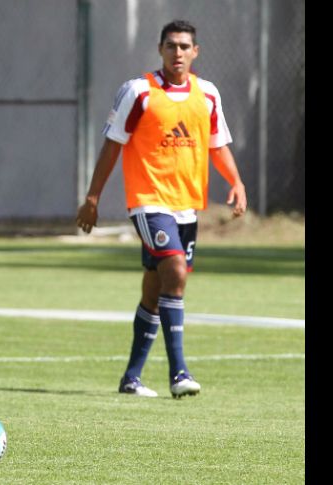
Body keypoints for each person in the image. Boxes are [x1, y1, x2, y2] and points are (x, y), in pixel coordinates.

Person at [76, 20, 247, 399]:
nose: (178, 53)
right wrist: (93, 197)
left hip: (187, 207)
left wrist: (235, 181)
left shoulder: (207, 95)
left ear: (196, 51)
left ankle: (131, 378)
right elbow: (112, 145)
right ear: (160, 49)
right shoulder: (139, 92)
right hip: (148, 200)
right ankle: (179, 372)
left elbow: (218, 144)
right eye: (171, 46)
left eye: (185, 46)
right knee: (175, 271)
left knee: (156, 288)